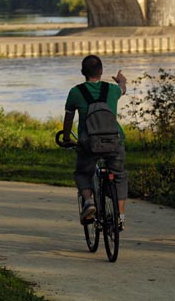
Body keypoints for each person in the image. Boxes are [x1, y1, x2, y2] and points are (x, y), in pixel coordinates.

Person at [62, 55, 129, 230]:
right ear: (101, 71)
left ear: (82, 72)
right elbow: (123, 89)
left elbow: (68, 118)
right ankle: (120, 218)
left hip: (88, 142)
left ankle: (89, 201)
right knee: (119, 175)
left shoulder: (76, 92)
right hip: (114, 140)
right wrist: (122, 80)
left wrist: (67, 138)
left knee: (83, 173)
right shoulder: (112, 89)